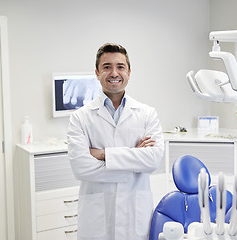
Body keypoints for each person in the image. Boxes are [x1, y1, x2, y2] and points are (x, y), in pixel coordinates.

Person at [67, 43, 164, 240]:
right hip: (97, 218)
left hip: (135, 214)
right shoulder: (80, 118)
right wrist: (134, 159)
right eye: (106, 67)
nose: (114, 73)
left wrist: (104, 154)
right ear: (97, 72)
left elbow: (153, 160)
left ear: (129, 71)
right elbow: (81, 168)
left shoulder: (147, 114)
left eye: (120, 67)